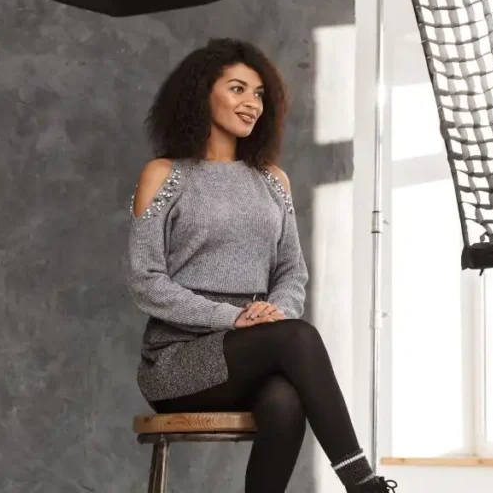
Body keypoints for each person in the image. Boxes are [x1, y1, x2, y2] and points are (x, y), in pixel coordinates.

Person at [127, 38, 397, 493]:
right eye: (237, 89)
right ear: (201, 93)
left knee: (285, 400)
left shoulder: (273, 181)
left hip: (258, 341)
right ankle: (362, 483)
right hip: (179, 359)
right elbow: (146, 282)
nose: (251, 103)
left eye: (258, 94)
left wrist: (270, 314)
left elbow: (292, 271)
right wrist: (235, 318)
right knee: (298, 337)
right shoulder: (165, 173)